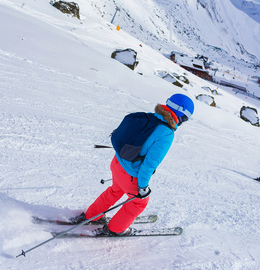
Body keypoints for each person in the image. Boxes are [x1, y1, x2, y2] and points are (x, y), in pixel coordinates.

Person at [71, 93, 194, 236]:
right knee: (138, 202)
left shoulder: (149, 116)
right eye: (184, 119)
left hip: (117, 163)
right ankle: (115, 230)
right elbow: (149, 165)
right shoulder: (166, 133)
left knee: (114, 191)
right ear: (180, 115)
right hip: (130, 174)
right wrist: (142, 188)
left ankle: (92, 215)